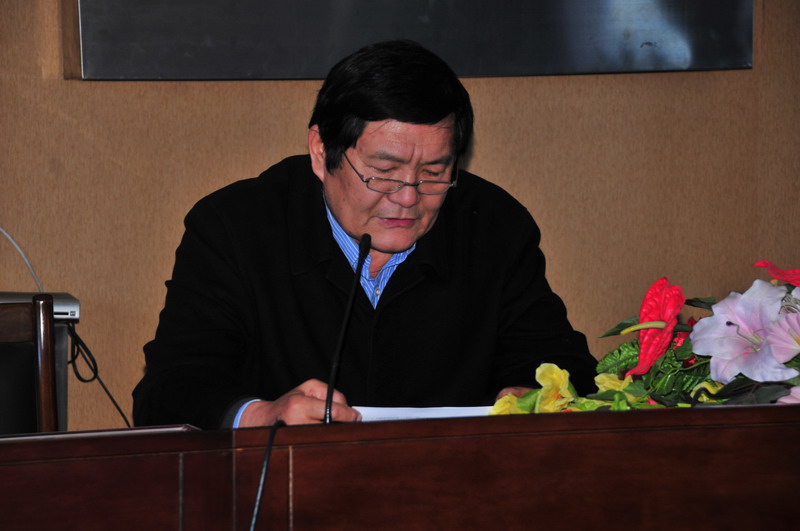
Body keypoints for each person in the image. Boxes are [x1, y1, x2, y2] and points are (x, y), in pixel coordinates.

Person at [132, 40, 597, 430]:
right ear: (321, 151)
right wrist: (261, 415)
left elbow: (564, 365)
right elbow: (170, 390)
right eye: (384, 171)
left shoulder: (493, 226)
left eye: (434, 172)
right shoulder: (235, 227)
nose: (408, 197)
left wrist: (532, 395)